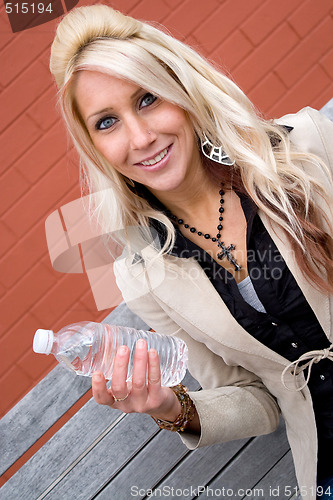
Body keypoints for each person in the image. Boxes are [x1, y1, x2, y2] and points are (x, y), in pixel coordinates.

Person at [49, 5, 333, 499]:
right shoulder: (143, 276)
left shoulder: (309, 147)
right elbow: (257, 398)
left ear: (182, 91)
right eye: (107, 122)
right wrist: (172, 408)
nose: (140, 139)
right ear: (93, 146)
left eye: (147, 99)